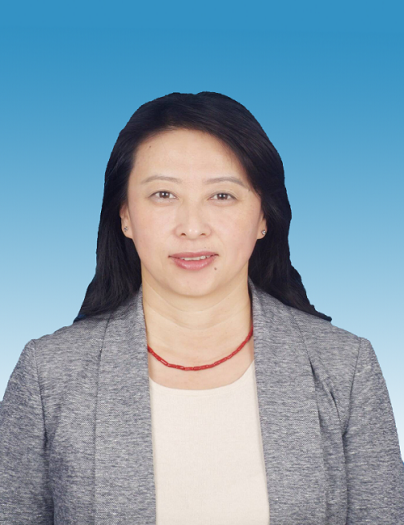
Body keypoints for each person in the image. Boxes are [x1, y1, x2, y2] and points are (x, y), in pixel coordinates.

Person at [0, 91, 403, 524]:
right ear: (125, 216)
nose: (192, 228)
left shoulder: (345, 368)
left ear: (264, 217)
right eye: (163, 194)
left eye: (222, 196)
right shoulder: (48, 374)